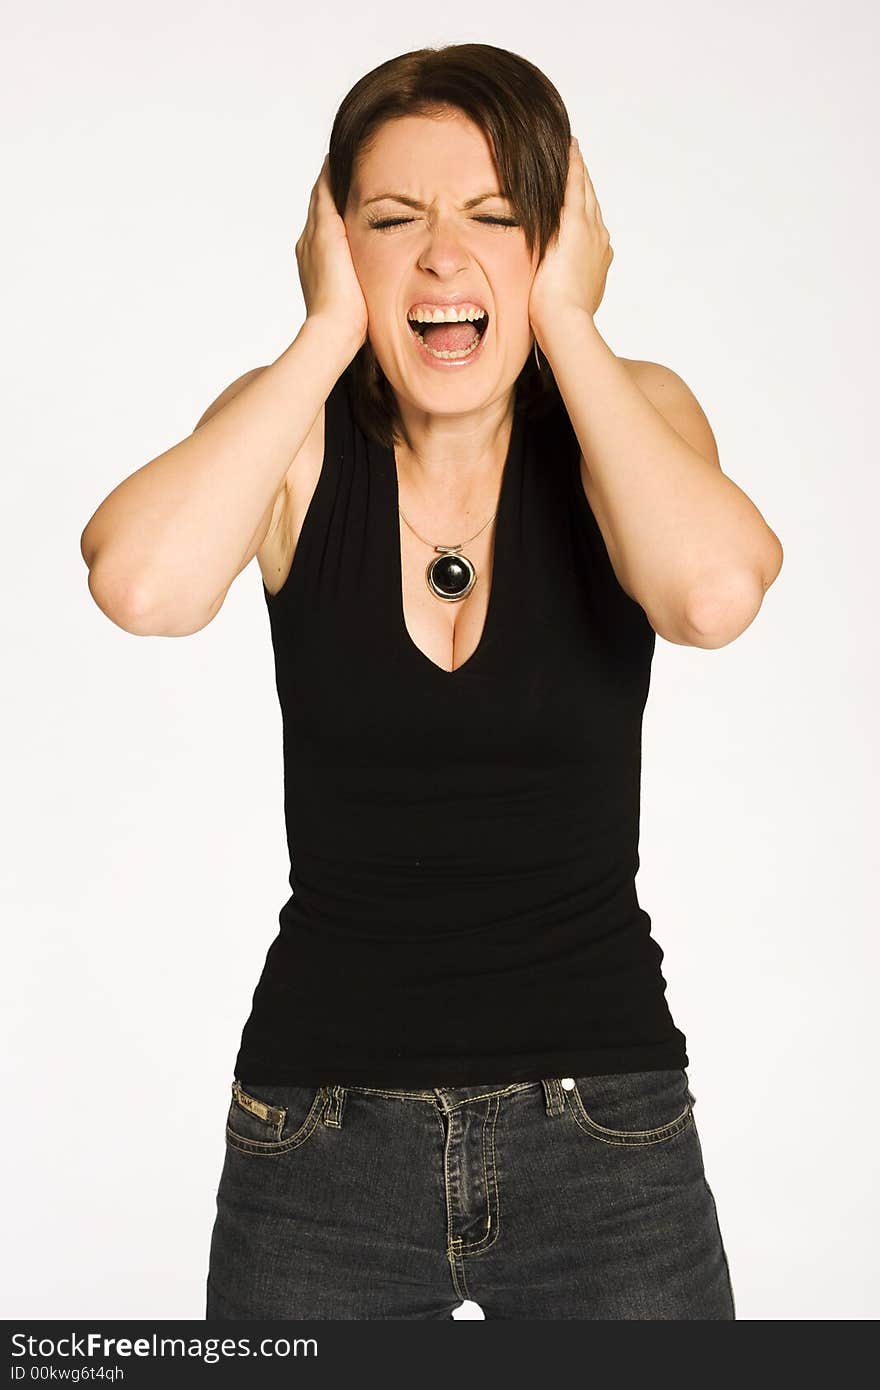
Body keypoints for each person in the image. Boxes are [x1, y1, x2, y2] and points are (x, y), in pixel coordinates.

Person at [80, 43, 783, 1320]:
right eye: (392, 222)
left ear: (557, 242)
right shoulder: (291, 433)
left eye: (497, 219)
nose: (443, 258)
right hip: (317, 1142)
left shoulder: (629, 415)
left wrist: (569, 323)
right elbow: (142, 585)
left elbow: (713, 594)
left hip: (606, 1135)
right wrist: (321, 332)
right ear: (334, 241)